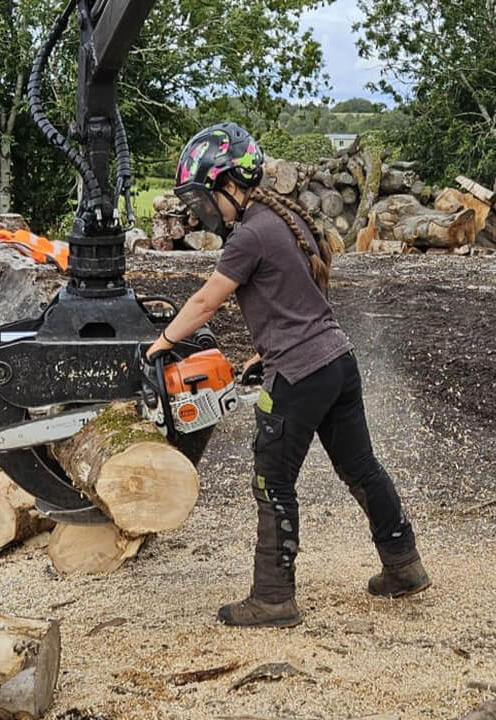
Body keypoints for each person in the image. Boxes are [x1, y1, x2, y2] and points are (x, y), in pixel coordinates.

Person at [146, 122, 431, 628]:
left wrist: (162, 343)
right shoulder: (286, 221)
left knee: (272, 480)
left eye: (205, 197)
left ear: (231, 183)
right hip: (336, 362)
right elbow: (298, 299)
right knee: (361, 467)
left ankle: (273, 597)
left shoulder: (249, 234)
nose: (202, 211)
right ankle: (404, 564)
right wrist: (265, 354)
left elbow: (206, 301)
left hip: (300, 375)